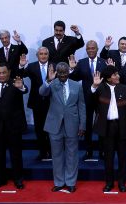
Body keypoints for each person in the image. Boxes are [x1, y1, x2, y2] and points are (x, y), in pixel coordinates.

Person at [40, 62, 85, 193]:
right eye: (60, 73)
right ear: (57, 73)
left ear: (68, 72)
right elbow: (42, 92)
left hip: (73, 124)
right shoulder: (52, 84)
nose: (63, 75)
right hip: (55, 125)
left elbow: (82, 106)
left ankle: (71, 182)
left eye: (65, 72)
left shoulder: (77, 85)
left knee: (72, 155)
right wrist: (48, 80)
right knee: (57, 155)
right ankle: (59, 182)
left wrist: (82, 125)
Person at [91, 65, 126, 193]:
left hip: (122, 126)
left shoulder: (125, 89)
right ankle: (109, 183)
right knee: (108, 158)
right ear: (108, 78)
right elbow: (91, 102)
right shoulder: (100, 88)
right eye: (115, 74)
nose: (118, 76)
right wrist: (94, 87)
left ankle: (122, 183)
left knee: (122, 157)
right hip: (106, 128)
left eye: (117, 74)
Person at [0, 63, 28, 190]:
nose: (2, 75)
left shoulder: (15, 85)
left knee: (16, 155)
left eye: (4, 73)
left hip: (13, 127)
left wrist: (21, 87)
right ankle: (0, 179)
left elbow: (25, 90)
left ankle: (18, 179)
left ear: (8, 73)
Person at [69, 40, 107, 161]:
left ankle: (102, 151)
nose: (90, 50)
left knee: (101, 125)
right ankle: (88, 151)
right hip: (86, 98)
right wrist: (71, 69)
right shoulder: (81, 63)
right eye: (88, 48)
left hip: (101, 98)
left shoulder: (103, 63)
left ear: (97, 49)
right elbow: (74, 78)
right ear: (86, 50)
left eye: (93, 48)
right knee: (87, 126)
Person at [18, 47, 52, 161]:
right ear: (37, 55)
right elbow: (20, 75)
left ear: (48, 55)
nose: (43, 56)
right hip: (37, 101)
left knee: (51, 128)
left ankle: (52, 152)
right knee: (39, 128)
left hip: (52, 101)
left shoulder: (54, 66)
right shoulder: (31, 66)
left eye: (45, 54)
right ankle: (42, 152)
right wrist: (22, 66)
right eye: (41, 54)